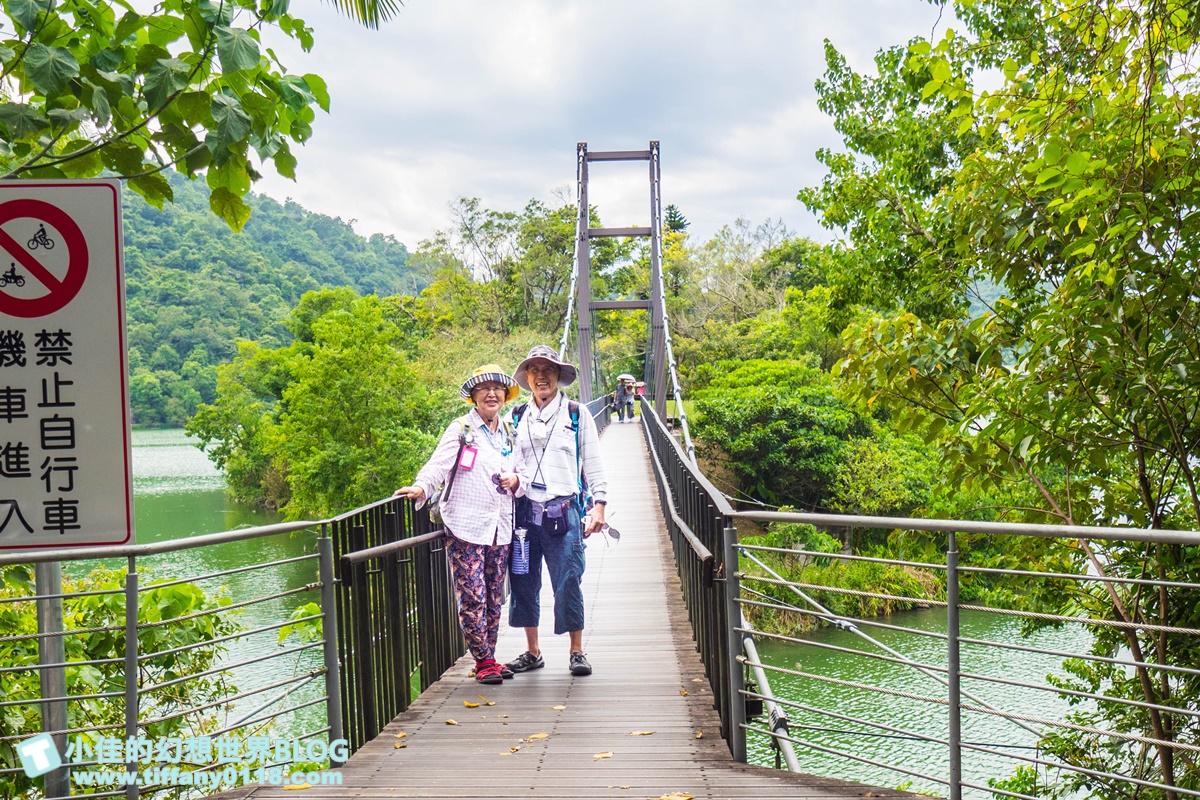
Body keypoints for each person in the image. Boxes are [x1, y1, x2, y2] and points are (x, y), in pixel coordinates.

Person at [393, 364, 526, 685]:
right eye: (484, 389)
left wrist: (516, 480)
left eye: (497, 389)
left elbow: (523, 473)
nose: (491, 394)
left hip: (501, 527)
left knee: (495, 596)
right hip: (465, 525)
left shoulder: (509, 431)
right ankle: (483, 660)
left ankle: (490, 656)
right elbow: (439, 463)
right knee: (473, 595)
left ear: (505, 397)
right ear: (474, 397)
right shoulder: (462, 428)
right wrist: (421, 487)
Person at [505, 345, 608, 677]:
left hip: (563, 513)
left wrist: (599, 506)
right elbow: (500, 458)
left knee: (568, 581)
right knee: (523, 581)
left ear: (558, 376)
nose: (540, 375)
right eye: (534, 370)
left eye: (547, 369)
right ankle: (532, 652)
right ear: (528, 378)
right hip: (523, 514)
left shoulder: (577, 414)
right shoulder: (516, 417)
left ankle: (576, 651)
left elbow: (593, 463)